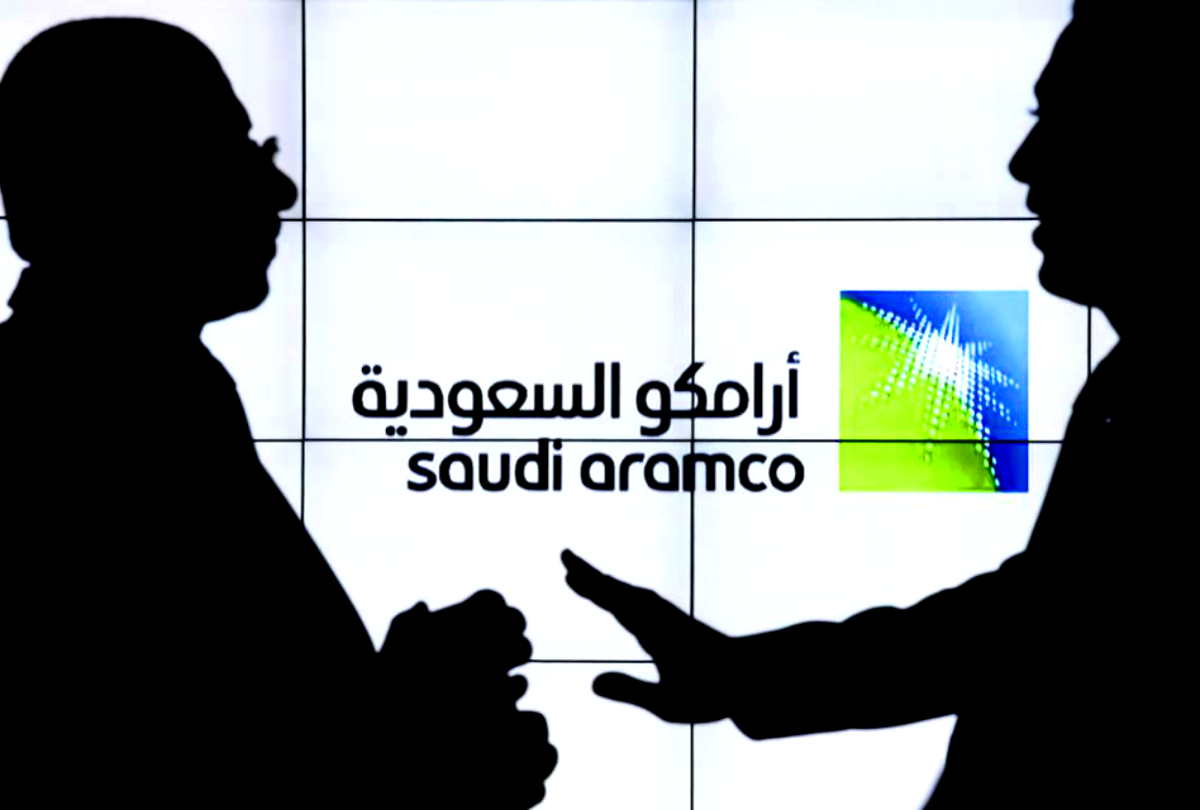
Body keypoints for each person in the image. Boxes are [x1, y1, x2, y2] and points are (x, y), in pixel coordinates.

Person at [563, 3, 1188, 807]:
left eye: (1072, 125)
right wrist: (741, 676)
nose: (1024, 163)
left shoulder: (1163, 394)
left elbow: (1049, 632)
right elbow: (1040, 625)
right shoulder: (1131, 385)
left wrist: (742, 677)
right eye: (1039, 121)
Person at [0, 18, 555, 805]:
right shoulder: (70, 424)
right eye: (231, 152)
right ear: (118, 182)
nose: (280, 190)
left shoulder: (158, 396)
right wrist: (402, 743)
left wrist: (386, 708)